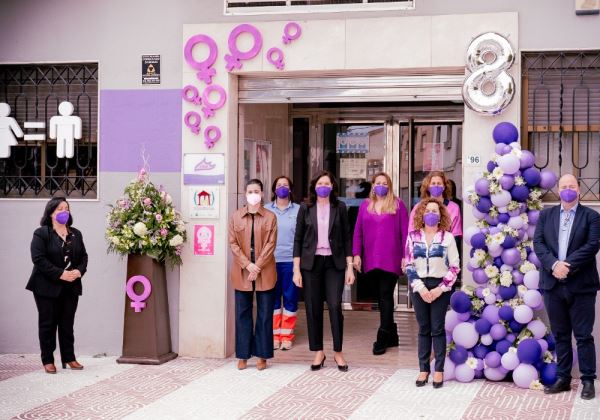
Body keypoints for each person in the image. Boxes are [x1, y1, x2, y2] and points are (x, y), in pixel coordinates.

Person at [533, 174, 600, 400]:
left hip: (581, 286)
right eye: (564, 187)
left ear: (579, 190)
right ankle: (563, 378)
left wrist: (566, 267)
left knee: (583, 336)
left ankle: (588, 380)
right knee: (561, 335)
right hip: (553, 285)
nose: (568, 190)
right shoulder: (546, 215)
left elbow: (592, 246)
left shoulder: (592, 216)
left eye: (572, 187)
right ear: (558, 190)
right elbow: (538, 243)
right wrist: (553, 265)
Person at [293, 170, 355, 372]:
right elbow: (298, 239)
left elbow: (347, 237)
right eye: (320, 183)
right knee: (312, 307)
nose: (323, 186)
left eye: (327, 183)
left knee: (335, 305)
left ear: (332, 187)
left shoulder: (340, 207)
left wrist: (350, 267)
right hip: (311, 264)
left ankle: (338, 351)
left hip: (334, 263)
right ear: (314, 186)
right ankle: (318, 351)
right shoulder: (305, 208)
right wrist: (296, 269)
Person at [27, 197, 88, 374]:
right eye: (60, 209)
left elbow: (84, 257)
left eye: (66, 208)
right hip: (46, 286)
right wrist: (61, 274)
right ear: (51, 212)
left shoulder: (76, 233)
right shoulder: (42, 233)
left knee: (67, 323)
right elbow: (38, 259)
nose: (64, 212)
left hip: (71, 286)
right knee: (48, 323)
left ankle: (69, 357)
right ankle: (48, 359)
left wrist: (78, 272)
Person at [405, 198, 460, 388]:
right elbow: (409, 265)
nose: (431, 214)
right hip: (419, 285)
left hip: (440, 286)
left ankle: (439, 371)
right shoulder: (413, 236)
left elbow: (454, 267)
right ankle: (423, 369)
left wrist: (439, 289)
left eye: (435, 211)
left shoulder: (448, 238)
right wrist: (420, 288)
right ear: (421, 214)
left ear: (441, 215)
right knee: (423, 329)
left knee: (437, 329)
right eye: (428, 210)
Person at [352, 172, 409, 355]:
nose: (381, 186)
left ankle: (383, 335)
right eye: (378, 183)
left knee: (385, 294)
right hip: (371, 258)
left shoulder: (397, 205)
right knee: (380, 296)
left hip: (391, 258)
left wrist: (405, 256)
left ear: (389, 186)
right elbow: (358, 232)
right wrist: (356, 254)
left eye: (385, 183)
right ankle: (393, 334)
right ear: (373, 185)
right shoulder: (365, 206)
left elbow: (405, 232)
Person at [228, 179, 278, 371]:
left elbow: (270, 244)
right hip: (242, 271)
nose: (253, 194)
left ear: (262, 194)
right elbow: (233, 243)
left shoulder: (270, 217)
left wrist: (257, 266)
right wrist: (247, 265)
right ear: (245, 193)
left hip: (264, 270)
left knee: (265, 315)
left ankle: (263, 355)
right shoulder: (236, 217)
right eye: (250, 191)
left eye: (257, 191)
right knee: (243, 314)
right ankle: (243, 355)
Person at [265, 175, 300, 351]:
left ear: (290, 189)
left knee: (290, 299)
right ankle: (273, 335)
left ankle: (286, 335)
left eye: (285, 185)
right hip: (270, 262)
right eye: (279, 185)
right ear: (274, 189)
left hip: (291, 262)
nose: (282, 188)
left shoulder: (299, 210)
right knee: (273, 301)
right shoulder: (265, 210)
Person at [408, 171, 462, 238]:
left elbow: (456, 235)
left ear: (444, 187)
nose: (436, 186)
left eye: (439, 183)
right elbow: (412, 231)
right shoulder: (418, 207)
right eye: (433, 183)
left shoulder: (454, 208)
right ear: (428, 187)